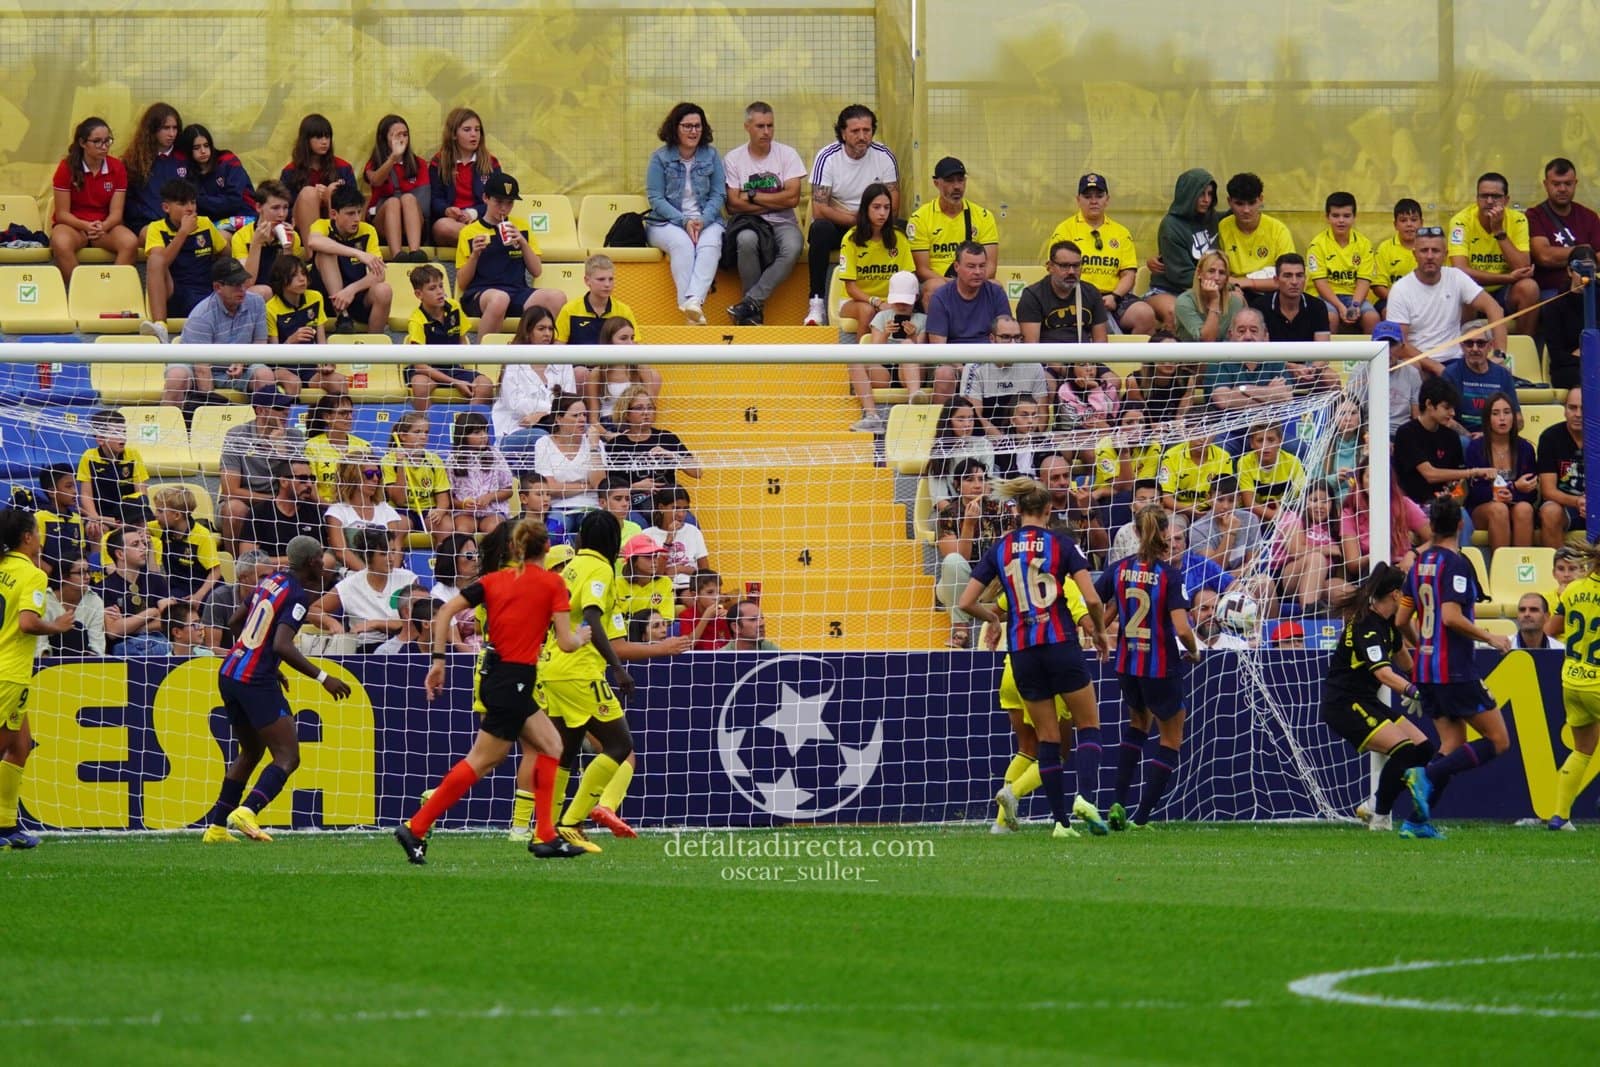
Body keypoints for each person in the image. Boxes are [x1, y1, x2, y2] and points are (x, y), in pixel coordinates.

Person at [394, 520, 591, 863]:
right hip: (515, 677)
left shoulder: (491, 581)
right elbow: (565, 642)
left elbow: (444, 616)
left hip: (496, 674)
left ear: (515, 549)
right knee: (484, 759)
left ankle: (545, 834)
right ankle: (417, 826)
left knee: (549, 745)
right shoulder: (552, 584)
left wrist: (438, 661)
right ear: (546, 548)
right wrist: (582, 637)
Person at [959, 477, 1110, 839]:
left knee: (1045, 740)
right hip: (1060, 645)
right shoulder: (1060, 545)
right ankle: (1085, 799)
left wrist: (993, 618)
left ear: (1018, 510)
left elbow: (965, 603)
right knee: (1087, 725)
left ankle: (1060, 824)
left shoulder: (1001, 547)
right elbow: (1090, 599)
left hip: (1023, 653)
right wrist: (1101, 632)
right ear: (1048, 510)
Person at [202, 536, 351, 843]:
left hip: (230, 671)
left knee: (252, 751)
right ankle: (247, 810)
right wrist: (324, 678)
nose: (324, 563)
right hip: (254, 680)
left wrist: (258, 656)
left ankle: (216, 828)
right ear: (312, 562)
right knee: (287, 755)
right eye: (321, 558)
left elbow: (234, 621)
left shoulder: (271, 581)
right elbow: (282, 644)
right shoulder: (297, 595)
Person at [1395, 496, 1514, 841]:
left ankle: (1417, 822)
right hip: (1455, 670)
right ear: (1461, 524)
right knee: (1498, 740)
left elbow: (1402, 620)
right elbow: (1449, 616)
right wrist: (1490, 637)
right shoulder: (1456, 563)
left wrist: (1423, 647)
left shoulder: (1417, 565)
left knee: (1452, 743)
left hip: (1426, 670)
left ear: (1432, 526)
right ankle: (1425, 776)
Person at [529, 511, 637, 855]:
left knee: (566, 750)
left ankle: (543, 830)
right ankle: (571, 822)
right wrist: (617, 667)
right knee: (619, 745)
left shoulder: (572, 567)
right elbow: (592, 614)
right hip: (578, 671)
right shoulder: (601, 569)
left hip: (552, 667)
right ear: (612, 540)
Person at [1095, 506, 1201, 829]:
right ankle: (1140, 819)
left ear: (1137, 533)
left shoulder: (1119, 569)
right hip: (1160, 666)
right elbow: (1182, 628)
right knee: (1170, 738)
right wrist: (1194, 651)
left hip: (1128, 665)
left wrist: (1100, 631)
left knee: (1137, 726)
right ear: (1165, 533)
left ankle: (1116, 804)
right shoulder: (1169, 575)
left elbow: (1101, 610)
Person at [1319, 563, 1435, 833]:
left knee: (1424, 749)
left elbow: (1408, 665)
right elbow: (1384, 674)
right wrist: (1411, 691)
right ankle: (1379, 816)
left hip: (1365, 701)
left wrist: (1427, 686)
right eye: (1406, 591)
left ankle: (1373, 806)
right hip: (1344, 704)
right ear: (1396, 594)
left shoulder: (1390, 627)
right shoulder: (1366, 626)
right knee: (1405, 750)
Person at [0, 506, 80, 849]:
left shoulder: (3, 568)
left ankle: (5, 826)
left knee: (20, 747)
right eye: (37, 530)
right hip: (9, 674)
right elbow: (28, 623)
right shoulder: (32, 574)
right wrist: (57, 626)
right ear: (28, 537)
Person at [806, 104, 900, 325]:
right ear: (842, 133)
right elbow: (820, 210)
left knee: (903, 229)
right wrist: (859, 220)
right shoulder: (827, 157)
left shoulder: (884, 156)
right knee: (819, 229)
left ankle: (903, 304)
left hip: (878, 221)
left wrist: (872, 220)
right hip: (842, 223)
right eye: (855, 131)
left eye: (867, 131)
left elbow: (893, 206)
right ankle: (816, 303)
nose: (862, 136)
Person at [722, 102, 806, 325]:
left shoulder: (788, 154)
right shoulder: (734, 158)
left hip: (784, 222)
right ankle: (753, 314)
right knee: (745, 239)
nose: (766, 132)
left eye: (770, 126)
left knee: (794, 246)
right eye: (760, 126)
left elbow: (793, 198)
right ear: (747, 127)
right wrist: (775, 202)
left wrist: (750, 196)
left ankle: (750, 303)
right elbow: (732, 204)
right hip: (748, 222)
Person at [455, 171, 564, 338]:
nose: (504, 208)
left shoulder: (521, 227)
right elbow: (462, 283)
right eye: (498, 202)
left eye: (509, 203)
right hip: (481, 293)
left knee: (557, 297)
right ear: (485, 198)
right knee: (500, 299)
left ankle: (540, 354)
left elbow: (536, 271)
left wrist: (522, 242)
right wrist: (475, 255)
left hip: (516, 291)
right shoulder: (469, 232)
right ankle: (484, 358)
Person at [644, 102, 725, 324]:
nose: (693, 131)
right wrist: (684, 220)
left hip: (706, 220)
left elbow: (719, 194)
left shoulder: (711, 155)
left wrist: (703, 219)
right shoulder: (659, 158)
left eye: (697, 126)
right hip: (665, 222)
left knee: (711, 245)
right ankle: (690, 312)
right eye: (687, 126)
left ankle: (694, 302)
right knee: (683, 245)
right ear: (675, 128)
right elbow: (656, 199)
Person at [1045, 173, 1156, 334]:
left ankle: (1129, 359)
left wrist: (1115, 297)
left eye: (1099, 196)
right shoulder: (1065, 230)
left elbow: (1128, 274)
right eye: (1088, 196)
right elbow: (1057, 271)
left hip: (1113, 297)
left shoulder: (1121, 232)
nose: (1094, 201)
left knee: (1145, 315)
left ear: (1107, 199)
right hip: (1074, 294)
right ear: (1078, 200)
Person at [154, 257, 275, 401]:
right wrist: (212, 410)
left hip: (242, 365)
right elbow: (201, 368)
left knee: (265, 376)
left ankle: (265, 423)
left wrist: (244, 359)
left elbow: (260, 344)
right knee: (176, 377)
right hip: (197, 365)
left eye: (243, 283)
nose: (242, 289)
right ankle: (168, 422)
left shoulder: (257, 302)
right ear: (218, 287)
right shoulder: (201, 316)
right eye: (235, 285)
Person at [1385, 226, 1506, 365]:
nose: (1430, 256)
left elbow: (1495, 309)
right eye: (1424, 251)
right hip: (1419, 362)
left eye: (1435, 251)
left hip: (1456, 361)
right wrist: (1437, 368)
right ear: (1414, 254)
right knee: (1412, 368)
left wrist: (1500, 353)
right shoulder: (1400, 289)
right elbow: (1401, 345)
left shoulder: (1456, 277)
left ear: (1445, 254)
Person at [1547, 541, 1600, 829]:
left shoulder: (1574, 589)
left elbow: (1552, 630)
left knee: (1582, 750)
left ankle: (1560, 816)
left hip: (1572, 679)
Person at [1448, 171, 1540, 333]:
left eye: (1496, 196)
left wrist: (1499, 231)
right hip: (1473, 289)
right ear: (1477, 199)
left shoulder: (1518, 220)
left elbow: (1523, 266)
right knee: (1461, 289)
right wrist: (1507, 277)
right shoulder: (1460, 221)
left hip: (1504, 291)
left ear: (1506, 200)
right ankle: (1460, 352)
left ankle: (1523, 347)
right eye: (1484, 196)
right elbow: (1460, 271)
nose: (1489, 201)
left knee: (1529, 288)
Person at [50, 116, 139, 281]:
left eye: (108, 141)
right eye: (97, 141)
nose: (104, 147)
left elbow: (116, 214)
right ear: (83, 143)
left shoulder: (117, 167)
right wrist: (86, 225)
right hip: (74, 225)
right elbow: (62, 214)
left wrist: (103, 226)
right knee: (60, 242)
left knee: (130, 242)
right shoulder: (66, 167)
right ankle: (82, 291)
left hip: (104, 227)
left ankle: (111, 290)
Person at [933, 459, 1010, 649]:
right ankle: (961, 629)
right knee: (952, 561)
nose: (977, 485)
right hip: (960, 585)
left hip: (995, 583)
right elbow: (959, 559)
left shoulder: (1001, 510)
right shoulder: (948, 514)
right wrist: (968, 524)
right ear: (957, 485)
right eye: (969, 479)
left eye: (981, 479)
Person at [218, 386, 307, 550]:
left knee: (308, 506)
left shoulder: (295, 436)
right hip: (249, 501)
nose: (286, 412)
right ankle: (238, 568)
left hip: (286, 498)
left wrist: (281, 449)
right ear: (260, 411)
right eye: (279, 408)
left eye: (287, 407)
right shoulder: (237, 436)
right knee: (234, 508)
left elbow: (299, 481)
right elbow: (230, 491)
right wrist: (273, 501)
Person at [1391, 377, 1494, 508]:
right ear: (1429, 404)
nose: (1452, 413)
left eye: (1453, 408)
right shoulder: (1407, 433)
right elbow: (1430, 474)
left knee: (1462, 518)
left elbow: (1459, 481)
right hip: (1414, 506)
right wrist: (1473, 472)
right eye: (1446, 407)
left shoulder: (1451, 436)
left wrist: (1454, 496)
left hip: (1445, 506)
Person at [907, 156, 999, 300]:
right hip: (939, 283)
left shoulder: (983, 216)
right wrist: (955, 284)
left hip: (972, 281)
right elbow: (922, 270)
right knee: (934, 286)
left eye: (960, 180)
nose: (957, 186)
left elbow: (990, 266)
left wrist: (968, 282)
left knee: (996, 286)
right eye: (950, 181)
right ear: (936, 183)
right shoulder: (920, 218)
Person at [310, 525, 416, 651]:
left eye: (393, 552)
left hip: (403, 646)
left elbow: (417, 621)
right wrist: (332, 623)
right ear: (368, 556)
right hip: (365, 648)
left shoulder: (408, 579)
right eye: (383, 554)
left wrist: (375, 624)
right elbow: (313, 610)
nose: (391, 559)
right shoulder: (350, 584)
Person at [306, 184, 391, 335]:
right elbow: (313, 242)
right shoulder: (322, 225)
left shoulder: (368, 231)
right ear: (334, 214)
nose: (357, 219)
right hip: (324, 297)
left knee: (384, 290)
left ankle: (375, 349)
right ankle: (342, 316)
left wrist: (351, 290)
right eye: (350, 213)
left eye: (359, 212)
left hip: (354, 295)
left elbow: (379, 274)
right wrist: (358, 253)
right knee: (325, 253)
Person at [142, 179, 227, 323]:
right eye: (182, 204)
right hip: (174, 290)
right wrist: (183, 233)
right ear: (166, 207)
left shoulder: (205, 223)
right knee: (156, 259)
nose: (190, 208)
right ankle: (160, 326)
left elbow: (225, 253)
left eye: (193, 202)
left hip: (205, 288)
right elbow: (161, 264)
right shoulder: (156, 228)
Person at [836, 182, 914, 338]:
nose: (882, 213)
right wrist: (876, 302)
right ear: (866, 209)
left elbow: (909, 278)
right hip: (854, 301)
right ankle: (862, 360)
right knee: (867, 310)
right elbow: (851, 288)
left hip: (892, 300)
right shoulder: (851, 239)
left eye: (886, 207)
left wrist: (896, 304)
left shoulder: (899, 238)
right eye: (876, 207)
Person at [1145, 168, 1221, 329]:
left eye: (1210, 194)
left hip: (1208, 286)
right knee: (1176, 312)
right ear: (1188, 194)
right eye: (1201, 194)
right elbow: (1180, 275)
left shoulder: (1215, 218)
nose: (1206, 199)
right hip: (1168, 289)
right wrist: (1222, 283)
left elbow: (1241, 212)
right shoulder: (1171, 226)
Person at [1463, 391, 1536, 550]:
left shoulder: (1525, 448)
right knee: (1499, 509)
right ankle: (1500, 568)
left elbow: (1531, 492)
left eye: (1507, 412)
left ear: (1513, 417)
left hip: (1516, 504)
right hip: (1483, 508)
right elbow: (1474, 492)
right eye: (1495, 413)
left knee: (1525, 509)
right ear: (1488, 419)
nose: (1502, 418)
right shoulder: (1476, 448)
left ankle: (1519, 565)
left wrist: (1512, 494)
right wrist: (1512, 488)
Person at [279, 113, 358, 248]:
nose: (324, 141)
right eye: (318, 137)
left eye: (327, 137)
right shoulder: (290, 171)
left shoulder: (343, 167)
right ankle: (313, 255)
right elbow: (284, 209)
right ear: (306, 140)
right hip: (300, 227)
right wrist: (312, 199)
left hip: (337, 223)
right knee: (309, 193)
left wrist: (329, 197)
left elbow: (355, 205)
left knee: (335, 193)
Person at [1306, 191, 1379, 333]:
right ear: (1327, 217)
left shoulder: (1364, 244)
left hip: (1354, 297)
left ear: (1354, 217)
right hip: (1323, 297)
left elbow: (1364, 280)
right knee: (1330, 317)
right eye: (1335, 215)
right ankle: (1326, 356)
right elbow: (1320, 283)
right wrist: (1340, 307)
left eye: (1346, 216)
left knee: (1372, 318)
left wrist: (1355, 305)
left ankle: (1366, 356)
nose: (1341, 220)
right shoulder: (1317, 244)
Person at [606, 385, 701, 492]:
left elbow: (697, 472)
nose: (646, 412)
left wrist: (672, 455)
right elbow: (609, 486)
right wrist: (634, 488)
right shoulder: (616, 445)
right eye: (639, 408)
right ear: (626, 413)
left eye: (650, 407)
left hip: (667, 503)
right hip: (633, 505)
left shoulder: (666, 437)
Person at [428, 107, 499, 250]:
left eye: (477, 130)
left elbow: (497, 200)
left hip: (481, 220)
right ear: (454, 134)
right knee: (442, 226)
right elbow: (435, 199)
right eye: (467, 130)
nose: (474, 135)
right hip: (451, 223)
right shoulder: (438, 162)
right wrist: (447, 210)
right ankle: (489, 244)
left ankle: (480, 243)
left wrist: (472, 213)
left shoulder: (491, 163)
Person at [363, 114, 429, 263]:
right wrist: (393, 158)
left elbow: (424, 203)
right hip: (384, 222)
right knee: (393, 202)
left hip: (413, 222)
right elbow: (375, 181)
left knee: (408, 199)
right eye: (396, 135)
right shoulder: (375, 163)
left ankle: (415, 252)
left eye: (405, 135)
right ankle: (397, 255)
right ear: (384, 138)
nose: (402, 139)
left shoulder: (419, 164)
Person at [1529, 158, 1600, 298]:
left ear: (1575, 184)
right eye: (1556, 184)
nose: (1562, 189)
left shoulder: (1589, 216)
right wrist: (1584, 251)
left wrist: (1562, 255)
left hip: (1588, 287)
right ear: (1545, 184)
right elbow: (1544, 256)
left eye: (1568, 183)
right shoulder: (1534, 215)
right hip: (1552, 292)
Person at [100, 526, 175, 656]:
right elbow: (113, 631)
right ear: (120, 554)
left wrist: (130, 625)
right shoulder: (104, 587)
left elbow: (172, 620)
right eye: (136, 544)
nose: (143, 548)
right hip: (124, 652)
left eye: (143, 543)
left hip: (160, 645)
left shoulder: (156, 580)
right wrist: (151, 612)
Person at [1216, 172, 1295, 295]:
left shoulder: (1278, 229)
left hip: (1271, 293)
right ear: (1229, 202)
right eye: (1239, 204)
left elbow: (1289, 277)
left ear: (1261, 200)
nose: (1246, 210)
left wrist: (1247, 282)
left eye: (1252, 203)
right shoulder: (1222, 227)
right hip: (1234, 290)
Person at [1017, 240, 1109, 344]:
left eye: (1076, 266)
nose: (1071, 271)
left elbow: (1101, 343)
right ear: (1049, 266)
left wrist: (1089, 360)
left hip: (1084, 357)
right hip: (1046, 358)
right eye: (1064, 266)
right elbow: (1031, 348)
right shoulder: (1032, 296)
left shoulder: (1091, 292)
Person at [76, 408, 150, 536]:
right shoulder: (89, 457)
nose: (122, 437)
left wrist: (133, 520)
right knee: (97, 529)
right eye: (116, 433)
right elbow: (86, 494)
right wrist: (94, 517)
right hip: (102, 516)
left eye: (124, 432)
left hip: (129, 515)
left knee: (143, 532)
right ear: (100, 439)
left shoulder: (133, 455)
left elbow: (141, 493)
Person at [382, 411, 453, 544]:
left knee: (446, 528)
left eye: (426, 432)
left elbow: (443, 498)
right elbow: (399, 500)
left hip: (428, 509)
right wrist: (401, 466)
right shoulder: (388, 460)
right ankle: (394, 564)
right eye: (417, 432)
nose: (423, 436)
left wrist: (440, 511)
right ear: (403, 436)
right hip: (401, 510)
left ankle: (443, 564)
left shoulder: (434, 460)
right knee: (398, 528)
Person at [534, 395, 606, 526]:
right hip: (558, 507)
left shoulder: (595, 442)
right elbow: (551, 488)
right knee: (554, 530)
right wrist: (586, 486)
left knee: (595, 528)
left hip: (590, 506)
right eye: (576, 416)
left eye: (584, 415)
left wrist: (594, 447)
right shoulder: (543, 444)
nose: (582, 419)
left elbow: (598, 484)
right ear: (559, 419)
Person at [925, 241, 1013, 349]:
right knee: (944, 367)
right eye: (971, 266)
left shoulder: (996, 293)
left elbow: (1007, 339)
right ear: (956, 266)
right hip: (953, 360)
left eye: (982, 266)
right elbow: (938, 349)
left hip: (991, 359)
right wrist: (963, 367)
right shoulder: (940, 297)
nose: (978, 272)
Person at [325, 461, 408, 571]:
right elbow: (341, 551)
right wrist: (368, 575)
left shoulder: (386, 510)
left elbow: (396, 548)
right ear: (352, 477)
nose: (375, 479)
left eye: (378, 474)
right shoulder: (337, 511)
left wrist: (391, 573)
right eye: (369, 474)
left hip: (385, 570)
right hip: (351, 571)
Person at [150, 483, 222, 608]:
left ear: (177, 515)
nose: (155, 514)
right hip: (179, 589)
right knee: (162, 605)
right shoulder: (159, 527)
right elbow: (131, 527)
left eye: (160, 511)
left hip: (206, 588)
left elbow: (215, 571)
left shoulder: (202, 535)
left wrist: (199, 596)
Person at [120, 103, 185, 237]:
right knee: (159, 238)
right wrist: (155, 217)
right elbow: (129, 202)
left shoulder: (184, 159)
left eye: (175, 128)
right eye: (166, 128)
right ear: (152, 129)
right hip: (146, 224)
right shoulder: (134, 161)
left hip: (181, 223)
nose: (172, 134)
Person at [232, 179, 303, 301]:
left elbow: (291, 282)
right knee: (264, 291)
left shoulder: (292, 236)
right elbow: (247, 283)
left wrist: (288, 249)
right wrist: (256, 243)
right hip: (254, 292)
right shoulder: (241, 237)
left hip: (281, 292)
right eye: (275, 208)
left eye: (285, 208)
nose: (282, 214)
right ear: (259, 207)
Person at [1443, 326, 1519, 435]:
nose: (1474, 348)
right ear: (1462, 346)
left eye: (1481, 343)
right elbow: (1444, 418)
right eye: (1469, 343)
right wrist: (1470, 438)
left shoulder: (1503, 375)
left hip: (1496, 436)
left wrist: (1487, 437)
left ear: (1490, 346)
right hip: (1462, 436)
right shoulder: (1451, 374)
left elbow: (1518, 419)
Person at [242, 461, 324, 562]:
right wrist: (297, 561)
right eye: (303, 479)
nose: (309, 485)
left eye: (312, 479)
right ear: (284, 482)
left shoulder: (314, 513)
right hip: (270, 575)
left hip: (306, 576)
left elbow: (323, 555)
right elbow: (248, 560)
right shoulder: (259, 513)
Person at [447, 410, 513, 534]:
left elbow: (508, 490)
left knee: (495, 529)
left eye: (485, 431)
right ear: (463, 435)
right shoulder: (453, 459)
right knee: (463, 529)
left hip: (493, 511)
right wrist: (462, 504)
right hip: (464, 513)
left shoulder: (495, 455)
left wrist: (489, 497)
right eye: (477, 432)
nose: (483, 436)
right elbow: (449, 497)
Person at [176, 124, 255, 227]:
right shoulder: (187, 170)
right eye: (196, 148)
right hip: (212, 222)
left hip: (244, 216)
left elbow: (233, 201)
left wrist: (200, 200)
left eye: (206, 145)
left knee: (220, 236)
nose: (203, 151)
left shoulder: (228, 161)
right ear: (188, 150)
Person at [554, 254, 639, 345]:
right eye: (601, 279)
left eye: (611, 279)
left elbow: (634, 346)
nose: (607, 284)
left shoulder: (624, 311)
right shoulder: (569, 310)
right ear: (587, 281)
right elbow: (558, 347)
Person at [1537, 386, 1585, 548]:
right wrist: (1578, 501)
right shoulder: (1550, 438)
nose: (1578, 414)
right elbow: (1548, 490)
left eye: (1583, 408)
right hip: (1565, 506)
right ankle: (1556, 570)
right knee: (1550, 512)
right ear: (1564, 410)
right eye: (1572, 408)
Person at [644, 486, 710, 592]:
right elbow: (657, 574)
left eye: (685, 509)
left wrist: (680, 569)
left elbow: (705, 573)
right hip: (659, 588)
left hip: (690, 587)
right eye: (676, 508)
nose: (681, 514)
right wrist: (669, 538)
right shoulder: (648, 534)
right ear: (661, 507)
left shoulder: (693, 531)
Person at [1252, 253, 1331, 342]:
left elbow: (1321, 351)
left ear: (1305, 279)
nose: (1294, 281)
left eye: (1299, 275)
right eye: (1288, 276)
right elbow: (1258, 349)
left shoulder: (1317, 307)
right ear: (1276, 280)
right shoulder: (1260, 307)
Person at [1175, 251, 1244, 342]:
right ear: (1199, 273)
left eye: (1222, 273)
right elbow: (1207, 341)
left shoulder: (1235, 302)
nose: (1216, 277)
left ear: (1227, 278)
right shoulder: (1184, 302)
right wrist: (1215, 301)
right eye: (1211, 271)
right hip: (1191, 354)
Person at [1372, 198, 1424, 308]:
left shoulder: (1429, 247)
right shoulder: (1385, 248)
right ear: (1395, 224)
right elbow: (1378, 286)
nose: (1409, 224)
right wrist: (1401, 302)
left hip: (1424, 301)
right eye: (1403, 220)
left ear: (1422, 223)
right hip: (1391, 300)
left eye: (1414, 220)